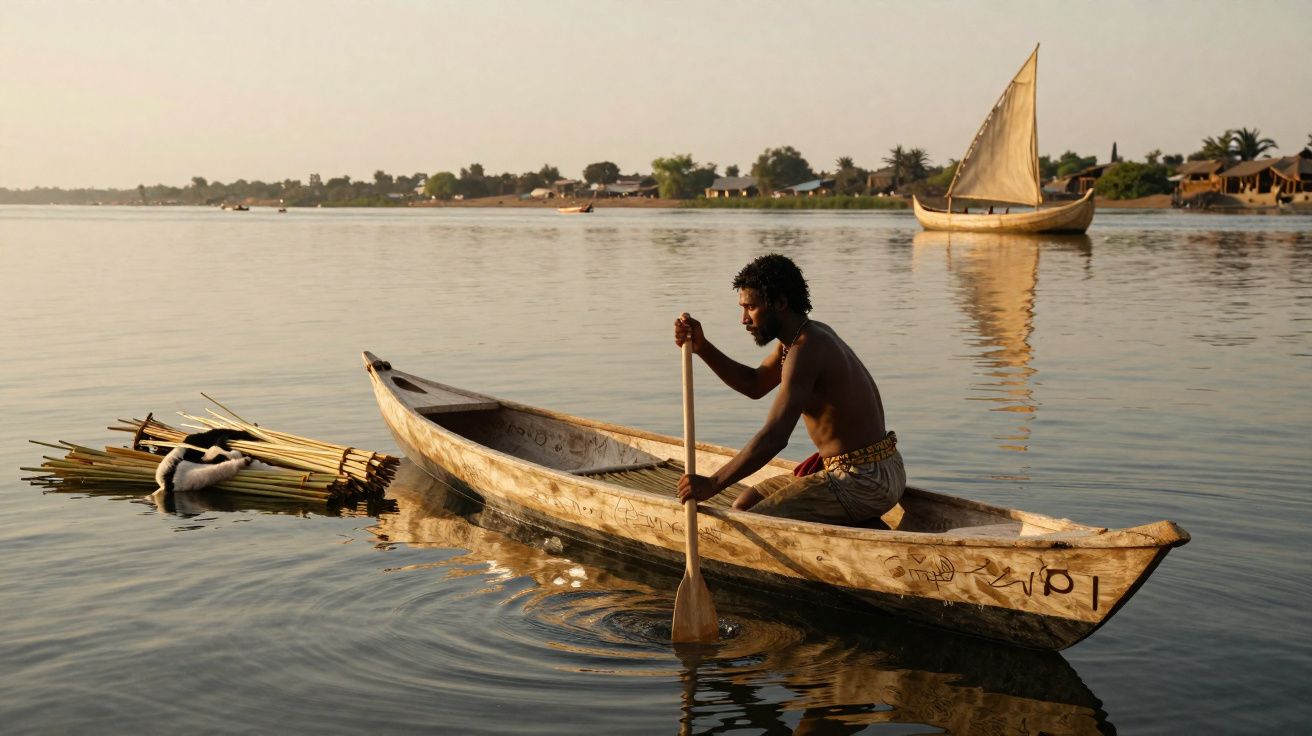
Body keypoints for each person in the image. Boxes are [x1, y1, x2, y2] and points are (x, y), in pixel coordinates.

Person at [674, 253, 905, 527]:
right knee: (745, 502)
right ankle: (856, 520)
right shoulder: (798, 338)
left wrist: (712, 483)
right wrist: (703, 347)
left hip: (864, 479)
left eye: (751, 308)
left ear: (781, 303)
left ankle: (866, 529)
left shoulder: (805, 349)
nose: (744, 319)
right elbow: (755, 384)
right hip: (870, 469)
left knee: (752, 522)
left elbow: (774, 437)